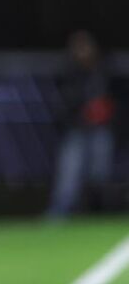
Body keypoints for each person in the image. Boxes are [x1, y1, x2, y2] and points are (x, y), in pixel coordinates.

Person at [47, 30, 115, 217]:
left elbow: (117, 103)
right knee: (68, 179)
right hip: (76, 131)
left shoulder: (105, 71)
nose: (82, 51)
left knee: (100, 177)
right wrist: (84, 110)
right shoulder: (70, 73)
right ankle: (57, 217)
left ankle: (99, 216)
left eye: (85, 46)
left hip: (101, 131)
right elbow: (63, 105)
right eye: (78, 47)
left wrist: (105, 111)